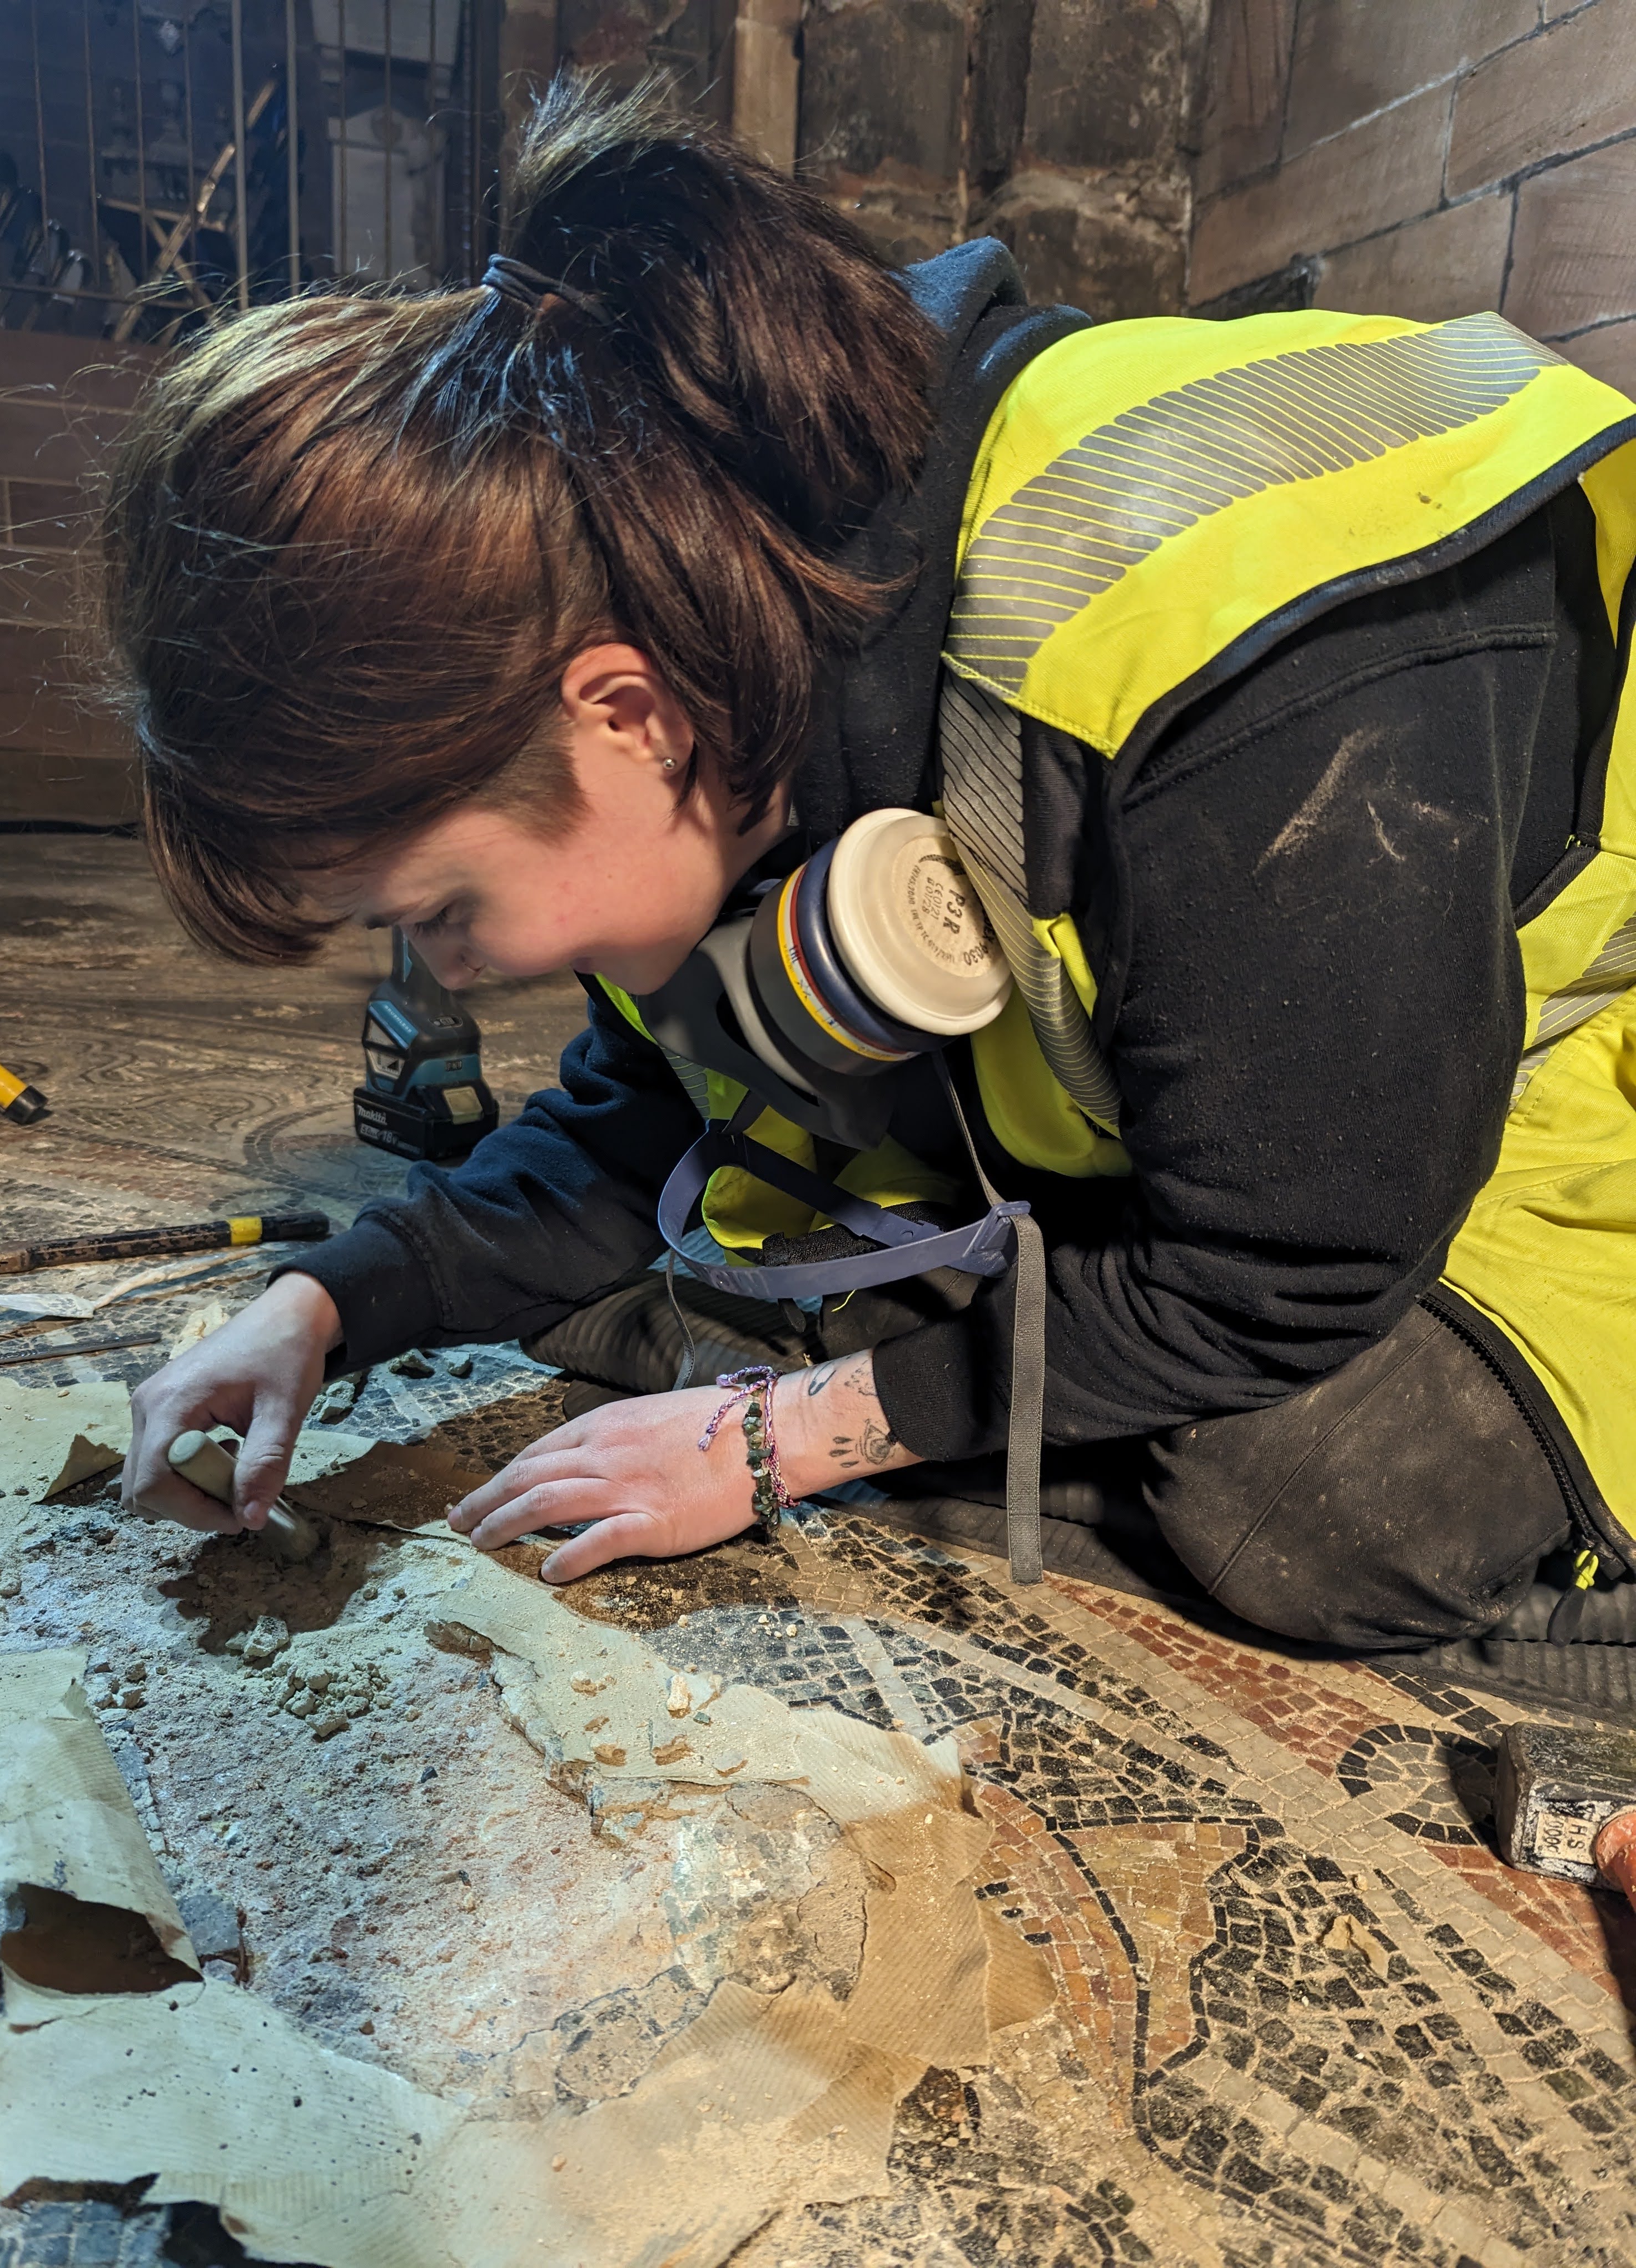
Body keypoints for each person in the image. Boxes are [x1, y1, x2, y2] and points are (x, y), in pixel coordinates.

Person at [116, 74, 1636, 1653]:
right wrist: (333, 1303)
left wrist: (786, 1438)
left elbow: (1289, 1266)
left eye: (444, 911)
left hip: (1558, 1065)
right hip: (1293, 1039)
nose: (456, 970)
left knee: (1304, 1504)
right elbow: (647, 1112)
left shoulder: (1217, 639)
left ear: (618, 716)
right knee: (681, 1287)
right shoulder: (718, 623)